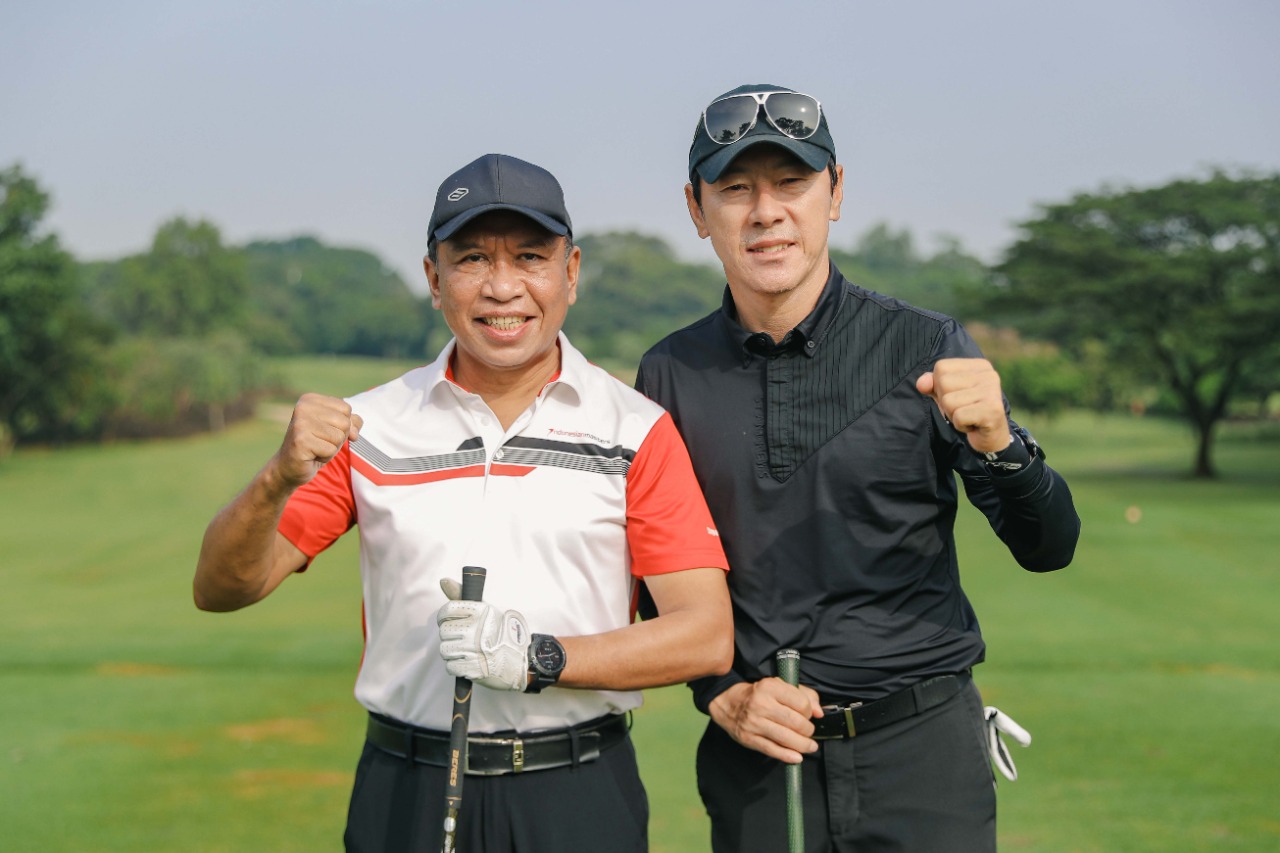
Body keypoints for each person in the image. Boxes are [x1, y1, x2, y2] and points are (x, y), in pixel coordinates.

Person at [194, 153, 733, 853]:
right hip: (404, 786)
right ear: (433, 278)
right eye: (473, 258)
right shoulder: (370, 426)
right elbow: (222, 588)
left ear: (571, 272)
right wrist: (274, 479)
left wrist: (536, 657)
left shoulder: (634, 429)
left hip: (576, 792)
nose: (503, 287)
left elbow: (703, 634)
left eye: (531, 257)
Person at [635, 84, 1082, 852]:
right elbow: (655, 576)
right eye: (735, 189)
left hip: (922, 756)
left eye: (792, 182)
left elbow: (1049, 546)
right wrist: (721, 693)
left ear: (835, 192)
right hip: (761, 760)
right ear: (696, 209)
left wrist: (1001, 443)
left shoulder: (924, 346)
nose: (766, 211)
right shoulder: (668, 373)